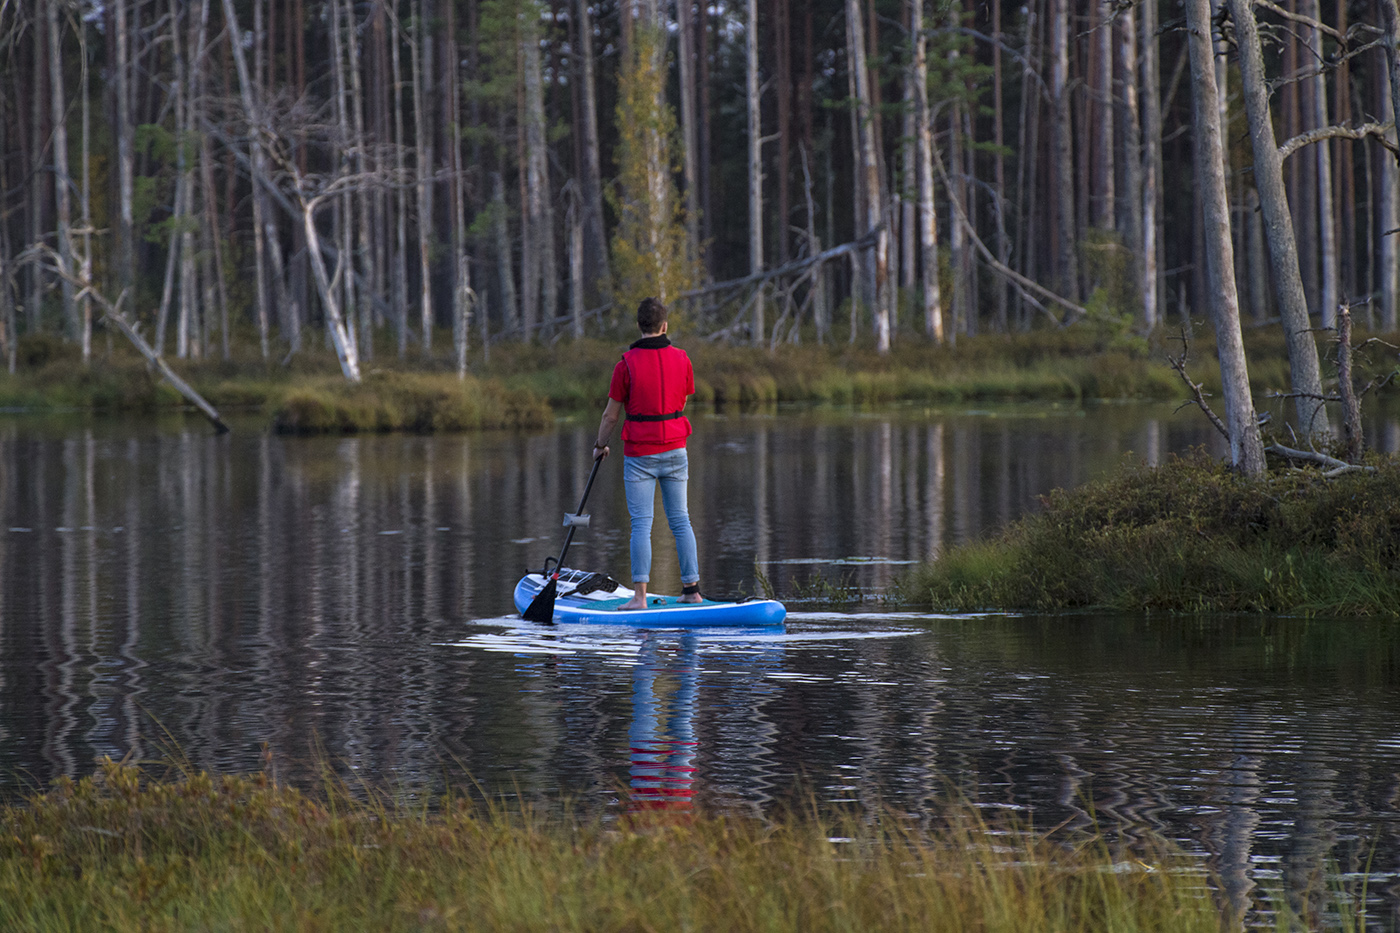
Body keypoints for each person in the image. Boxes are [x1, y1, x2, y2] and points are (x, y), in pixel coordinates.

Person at [593, 297, 702, 609]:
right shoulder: (683, 359)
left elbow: (610, 416)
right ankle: (691, 590)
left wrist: (600, 446)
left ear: (638, 326)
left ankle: (639, 598)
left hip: (639, 455)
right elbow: (681, 400)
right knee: (681, 520)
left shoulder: (624, 365)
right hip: (675, 450)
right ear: (664, 326)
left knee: (641, 523)